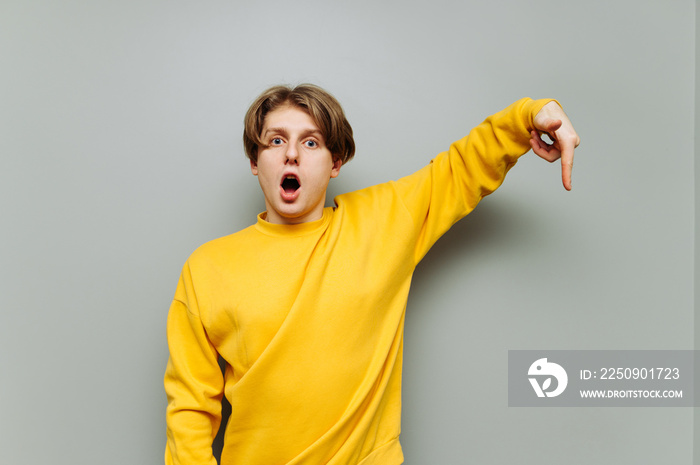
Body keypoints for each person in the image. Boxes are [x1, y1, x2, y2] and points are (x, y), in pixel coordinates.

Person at [163, 84, 580, 465]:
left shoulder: (383, 221)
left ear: (335, 163)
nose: (292, 154)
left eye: (311, 142)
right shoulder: (208, 267)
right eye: (276, 141)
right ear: (256, 162)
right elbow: (190, 408)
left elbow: (462, 168)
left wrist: (533, 112)